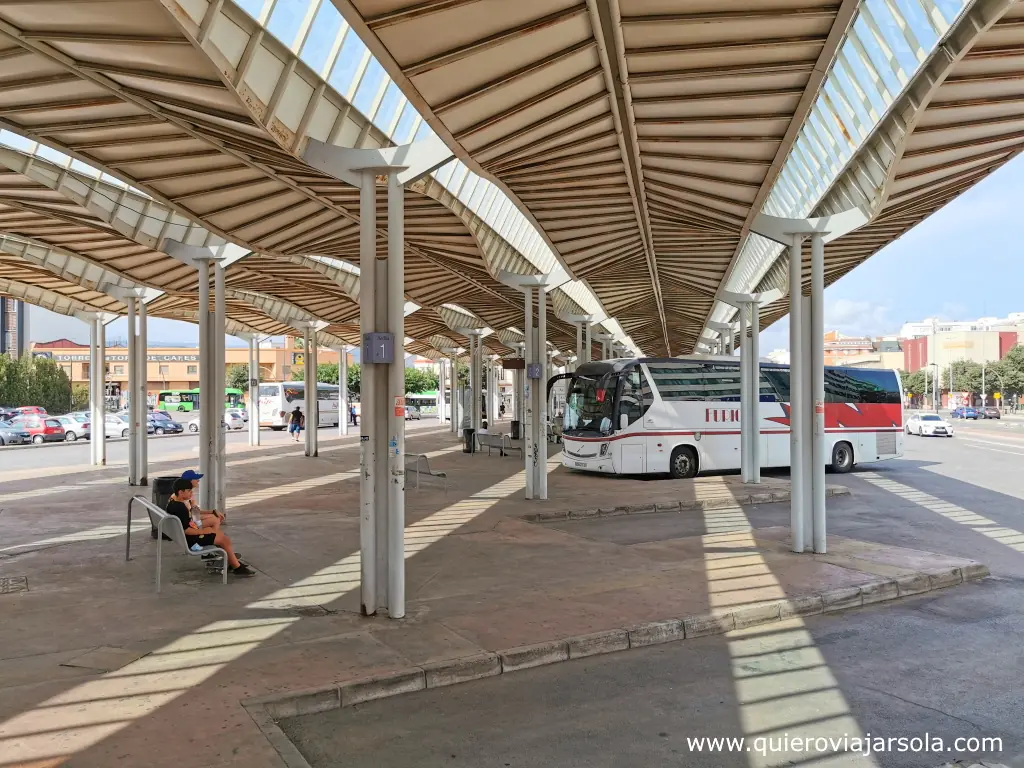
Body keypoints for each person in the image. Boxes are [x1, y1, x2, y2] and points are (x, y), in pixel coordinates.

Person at [165, 479, 254, 576]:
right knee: (224, 540)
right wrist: (204, 531)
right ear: (180, 492)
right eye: (189, 491)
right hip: (193, 541)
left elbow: (187, 524)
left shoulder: (173, 502)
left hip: (186, 538)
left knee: (222, 537)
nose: (191, 493)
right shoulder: (180, 508)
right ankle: (237, 567)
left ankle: (232, 562)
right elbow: (187, 530)